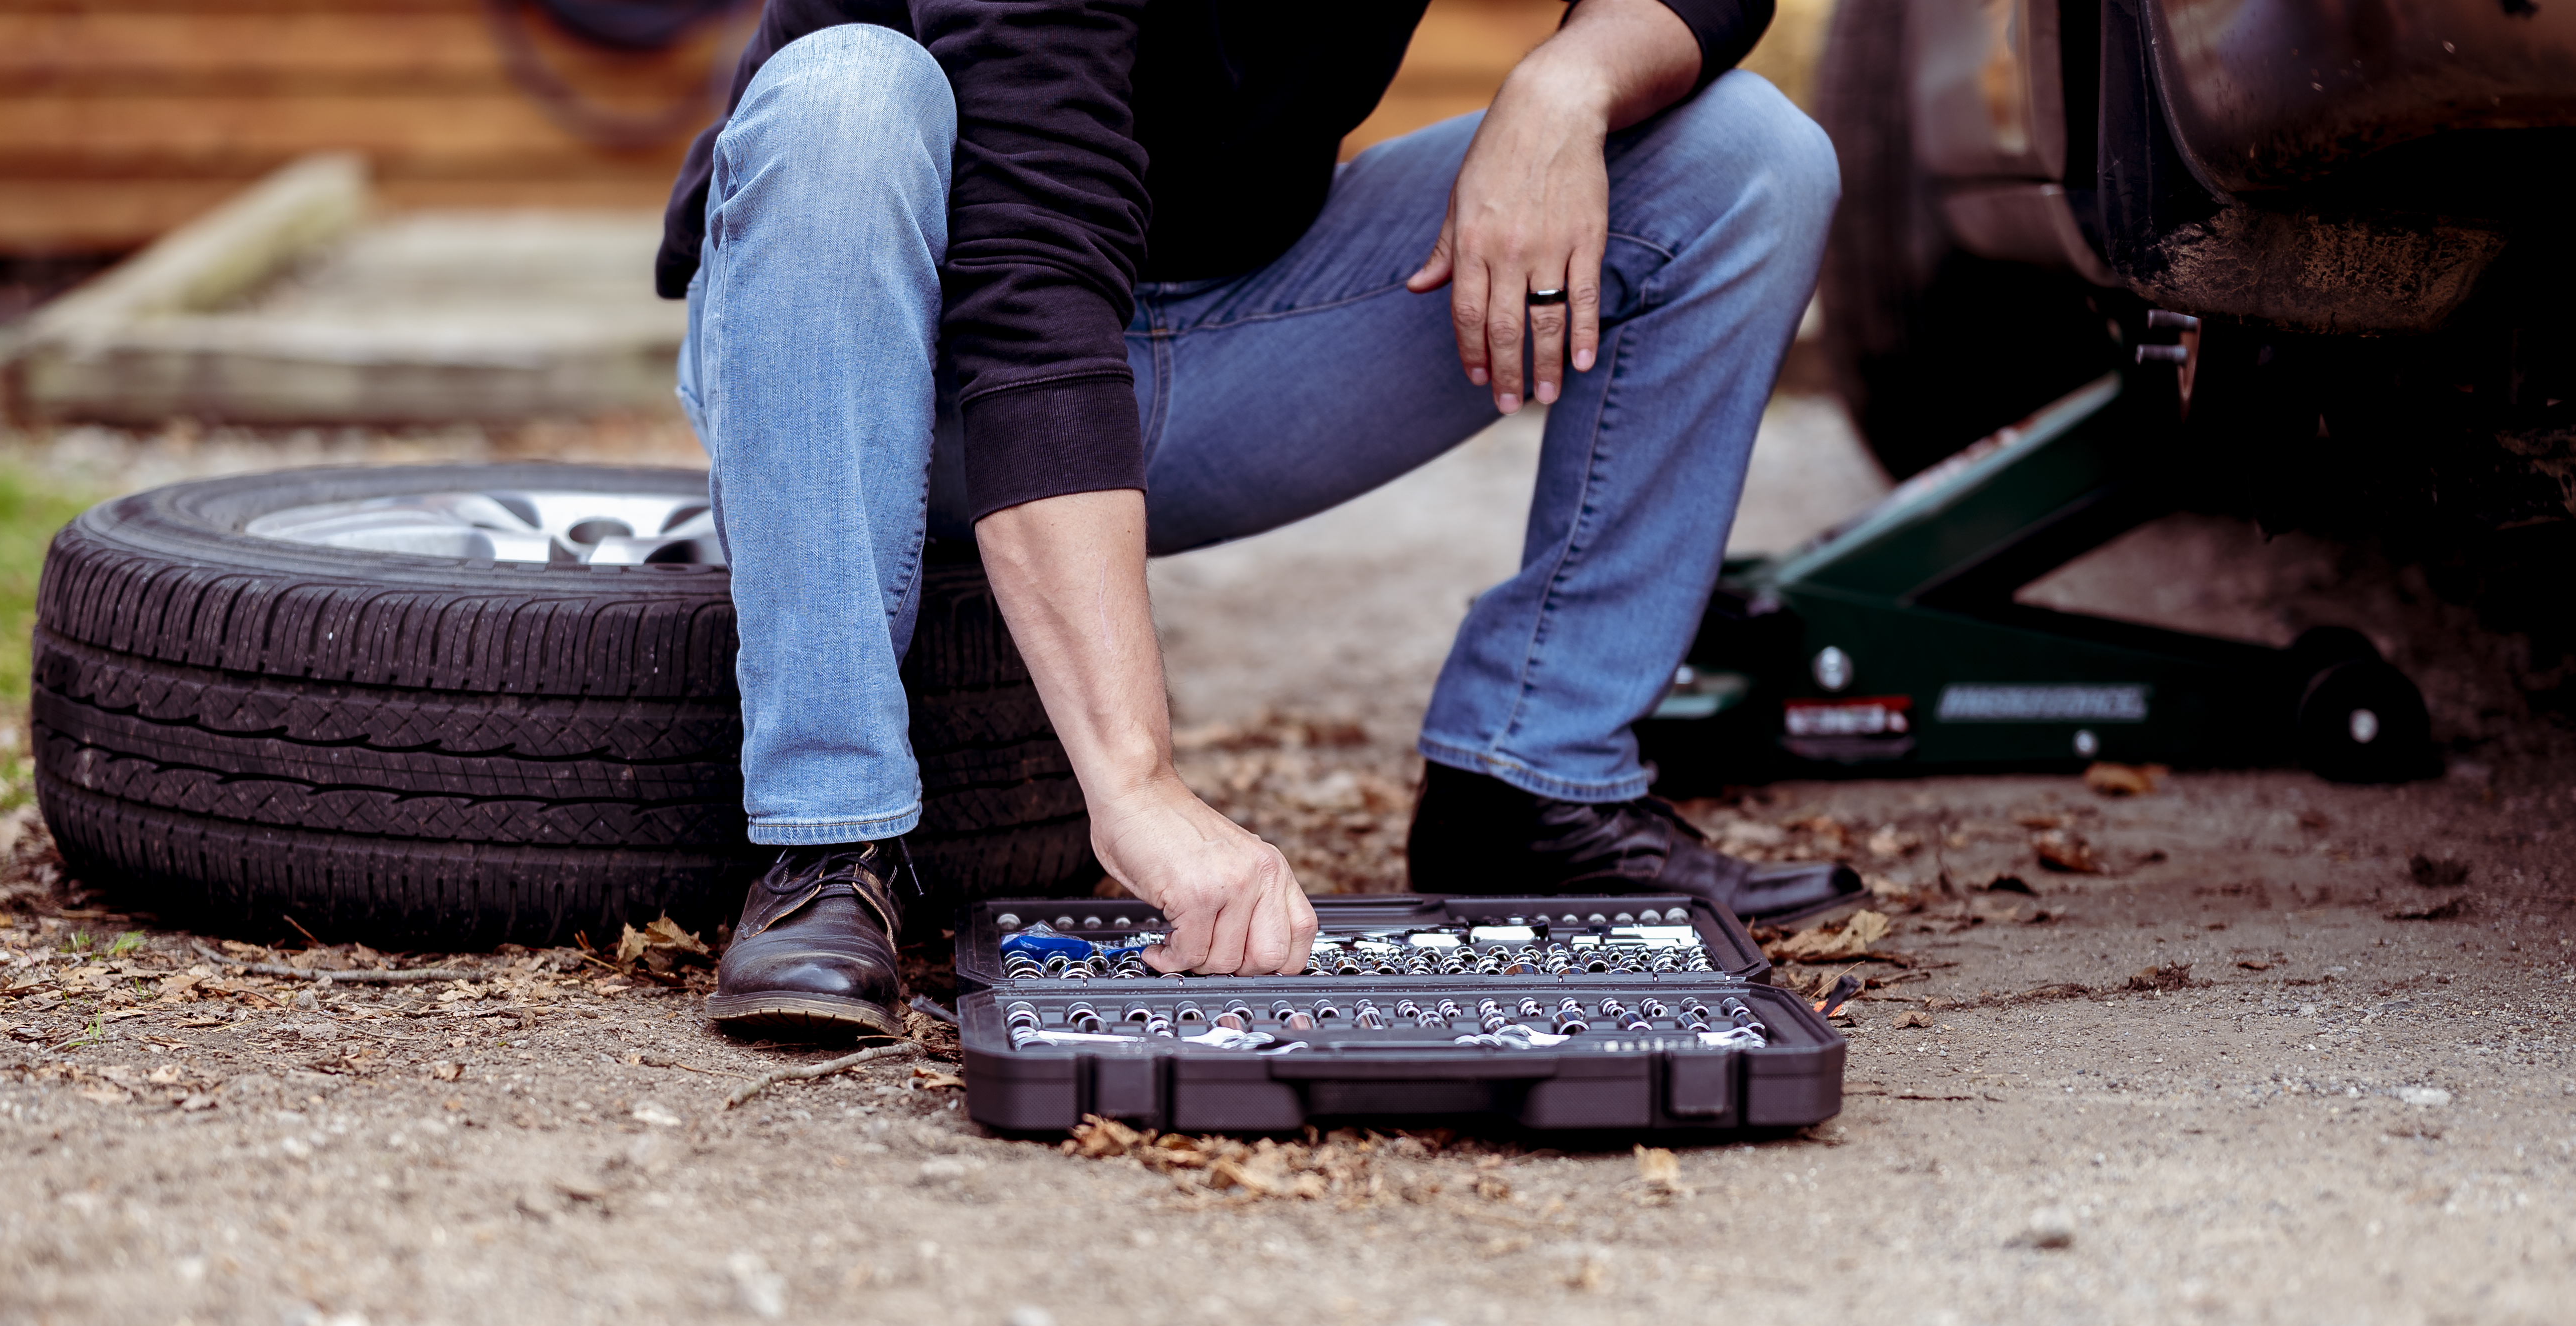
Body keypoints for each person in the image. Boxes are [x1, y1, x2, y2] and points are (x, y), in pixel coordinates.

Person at [662, 0, 1838, 1037]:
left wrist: (1567, 83)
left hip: (1240, 325)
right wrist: (1138, 782)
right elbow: (1030, 277)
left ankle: (1535, 781)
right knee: (848, 93)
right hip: (913, 360)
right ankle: (826, 841)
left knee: (1747, 155)